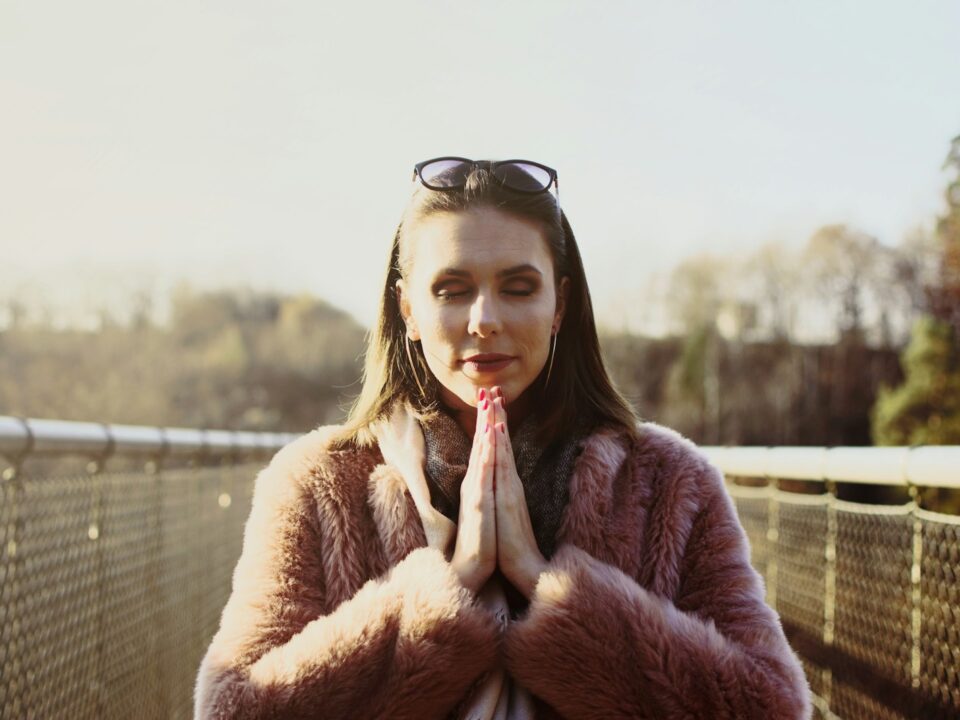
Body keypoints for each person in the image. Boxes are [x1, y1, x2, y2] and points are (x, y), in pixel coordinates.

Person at [193, 157, 813, 719]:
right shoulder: (316, 483)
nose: (484, 320)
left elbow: (774, 707)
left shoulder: (669, 481)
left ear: (560, 305)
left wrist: (549, 588)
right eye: (451, 290)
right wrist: (450, 589)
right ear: (407, 309)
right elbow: (232, 708)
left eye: (518, 288)